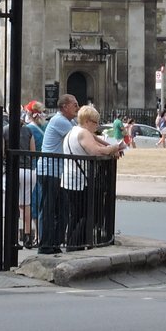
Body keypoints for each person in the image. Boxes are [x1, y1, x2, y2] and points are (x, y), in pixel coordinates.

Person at [60, 104, 123, 250]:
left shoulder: (73, 131)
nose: (97, 126)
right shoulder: (83, 133)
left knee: (75, 215)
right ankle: (75, 244)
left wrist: (108, 147)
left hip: (70, 179)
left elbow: (97, 144)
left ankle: (73, 244)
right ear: (87, 121)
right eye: (95, 122)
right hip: (80, 181)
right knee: (86, 214)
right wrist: (113, 148)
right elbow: (95, 151)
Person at [36, 93, 80, 254]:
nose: (77, 107)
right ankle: (45, 244)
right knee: (48, 208)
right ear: (65, 107)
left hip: (59, 171)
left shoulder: (70, 121)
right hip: (49, 170)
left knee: (62, 209)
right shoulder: (60, 121)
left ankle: (55, 242)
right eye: (74, 104)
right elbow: (80, 138)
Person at [19, 100, 44, 248]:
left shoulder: (29, 129)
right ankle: (41, 235)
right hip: (45, 165)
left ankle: (36, 235)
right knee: (41, 202)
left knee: (32, 203)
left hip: (33, 166)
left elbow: (31, 150)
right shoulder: (44, 126)